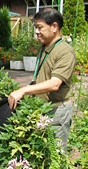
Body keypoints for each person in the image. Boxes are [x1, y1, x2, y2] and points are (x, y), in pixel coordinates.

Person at [8, 8, 76, 152]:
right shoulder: (45, 47)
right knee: (40, 154)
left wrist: (23, 90)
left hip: (56, 110)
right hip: (43, 109)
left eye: (40, 27)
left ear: (54, 27)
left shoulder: (65, 51)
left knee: (55, 155)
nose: (36, 32)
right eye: (35, 28)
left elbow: (54, 84)